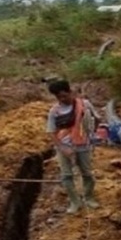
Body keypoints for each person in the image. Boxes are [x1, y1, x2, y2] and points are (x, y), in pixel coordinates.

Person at [46, 79, 101, 214]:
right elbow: (52, 132)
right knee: (66, 176)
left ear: (71, 92)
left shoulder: (84, 105)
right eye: (59, 97)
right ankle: (74, 202)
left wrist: (91, 134)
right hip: (64, 146)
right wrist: (63, 147)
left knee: (87, 173)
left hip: (83, 145)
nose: (63, 99)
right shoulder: (55, 111)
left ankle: (88, 198)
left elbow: (97, 119)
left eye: (65, 95)